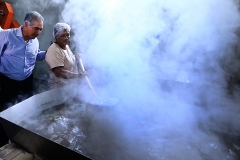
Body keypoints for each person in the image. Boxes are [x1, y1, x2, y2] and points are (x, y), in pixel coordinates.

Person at [0, 11, 46, 147]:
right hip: (7, 82)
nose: (38, 32)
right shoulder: (6, 36)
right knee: (4, 114)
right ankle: (2, 145)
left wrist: (47, 54)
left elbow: (35, 55)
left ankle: (23, 141)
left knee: (27, 111)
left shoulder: (35, 41)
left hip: (26, 82)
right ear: (26, 24)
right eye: (36, 28)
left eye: (41, 29)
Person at [45, 23, 86, 89]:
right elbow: (60, 72)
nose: (66, 38)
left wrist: (75, 57)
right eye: (62, 35)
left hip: (70, 86)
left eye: (67, 35)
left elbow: (66, 59)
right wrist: (79, 75)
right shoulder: (54, 50)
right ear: (56, 36)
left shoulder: (65, 46)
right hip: (59, 89)